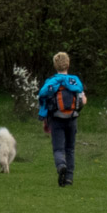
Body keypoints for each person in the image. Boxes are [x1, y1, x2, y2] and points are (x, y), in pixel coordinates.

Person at [38, 51, 86, 187]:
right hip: (72, 119)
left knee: (58, 149)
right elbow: (84, 100)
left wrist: (45, 120)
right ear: (68, 64)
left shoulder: (51, 82)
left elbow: (44, 101)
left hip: (56, 119)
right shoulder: (74, 81)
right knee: (70, 149)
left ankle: (61, 166)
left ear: (55, 65)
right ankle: (69, 178)